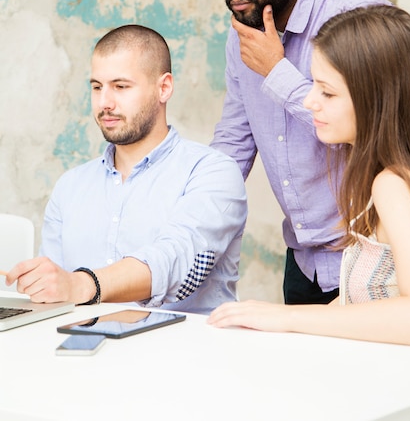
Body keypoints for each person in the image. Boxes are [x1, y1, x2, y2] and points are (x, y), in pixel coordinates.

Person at [207, 0, 391, 305]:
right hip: (303, 263)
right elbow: (234, 143)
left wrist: (277, 71)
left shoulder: (356, 13)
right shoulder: (242, 38)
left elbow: (383, 124)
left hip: (373, 259)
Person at [208, 5, 410, 346]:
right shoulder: (380, 176)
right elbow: (364, 304)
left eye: (327, 92)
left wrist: (286, 317)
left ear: (376, 99)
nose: (309, 101)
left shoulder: (392, 184)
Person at [6, 24, 247, 315]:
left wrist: (81, 284)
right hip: (80, 354)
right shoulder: (70, 186)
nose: (104, 103)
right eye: (97, 87)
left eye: (120, 87)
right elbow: (55, 296)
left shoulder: (212, 172)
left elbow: (177, 263)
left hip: (181, 356)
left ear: (164, 87)